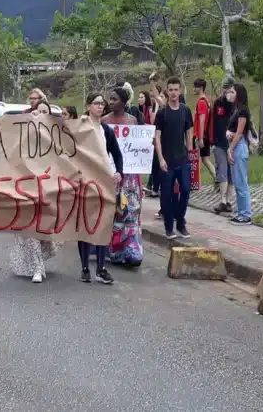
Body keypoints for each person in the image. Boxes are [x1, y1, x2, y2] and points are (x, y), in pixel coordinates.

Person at [9, 99, 62, 283]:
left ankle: (38, 261)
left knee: (42, 228)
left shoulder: (55, 136)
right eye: (39, 111)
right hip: (27, 188)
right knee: (30, 227)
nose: (42, 115)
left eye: (46, 112)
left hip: (47, 189)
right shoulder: (25, 134)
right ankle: (37, 268)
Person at [78, 92, 121, 284]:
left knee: (104, 224)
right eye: (96, 103)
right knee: (85, 225)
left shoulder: (106, 130)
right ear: (88, 106)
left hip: (104, 183)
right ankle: (85, 267)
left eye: (102, 104)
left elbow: (117, 154)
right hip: (85, 184)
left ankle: (101, 268)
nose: (100, 106)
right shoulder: (79, 129)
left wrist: (119, 171)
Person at [102, 88, 144, 267]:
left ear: (124, 102)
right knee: (113, 210)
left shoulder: (133, 120)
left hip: (130, 175)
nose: (110, 102)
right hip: (111, 174)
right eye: (109, 99)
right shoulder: (104, 121)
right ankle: (113, 247)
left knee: (130, 209)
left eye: (114, 99)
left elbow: (140, 144)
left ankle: (130, 245)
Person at [154, 77, 194, 240]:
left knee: (185, 189)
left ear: (180, 90)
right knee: (167, 195)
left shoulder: (185, 110)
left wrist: (191, 155)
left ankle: (181, 221)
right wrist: (161, 158)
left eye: (176, 89)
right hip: (166, 160)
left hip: (182, 158)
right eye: (170, 89)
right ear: (167, 91)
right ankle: (169, 226)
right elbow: (157, 137)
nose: (173, 93)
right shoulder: (162, 113)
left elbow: (189, 134)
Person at [226, 83, 254, 225]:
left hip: (239, 147)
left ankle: (245, 215)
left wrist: (230, 149)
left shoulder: (243, 111)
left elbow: (239, 132)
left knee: (241, 182)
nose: (229, 94)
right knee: (237, 182)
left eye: (232, 91)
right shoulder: (236, 109)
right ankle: (241, 212)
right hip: (235, 146)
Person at [210, 80, 236, 214]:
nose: (227, 92)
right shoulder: (218, 102)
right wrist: (212, 140)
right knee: (222, 171)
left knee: (231, 173)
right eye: (225, 89)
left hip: (232, 143)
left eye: (230, 89)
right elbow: (213, 121)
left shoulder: (235, 103)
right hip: (220, 142)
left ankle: (229, 201)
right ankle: (223, 200)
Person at [192, 78, 217, 184]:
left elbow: (202, 120)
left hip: (202, 134)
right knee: (205, 158)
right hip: (204, 134)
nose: (193, 89)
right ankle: (217, 178)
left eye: (195, 87)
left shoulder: (202, 102)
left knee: (205, 159)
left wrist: (200, 137)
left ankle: (218, 178)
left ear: (201, 88)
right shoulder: (206, 101)